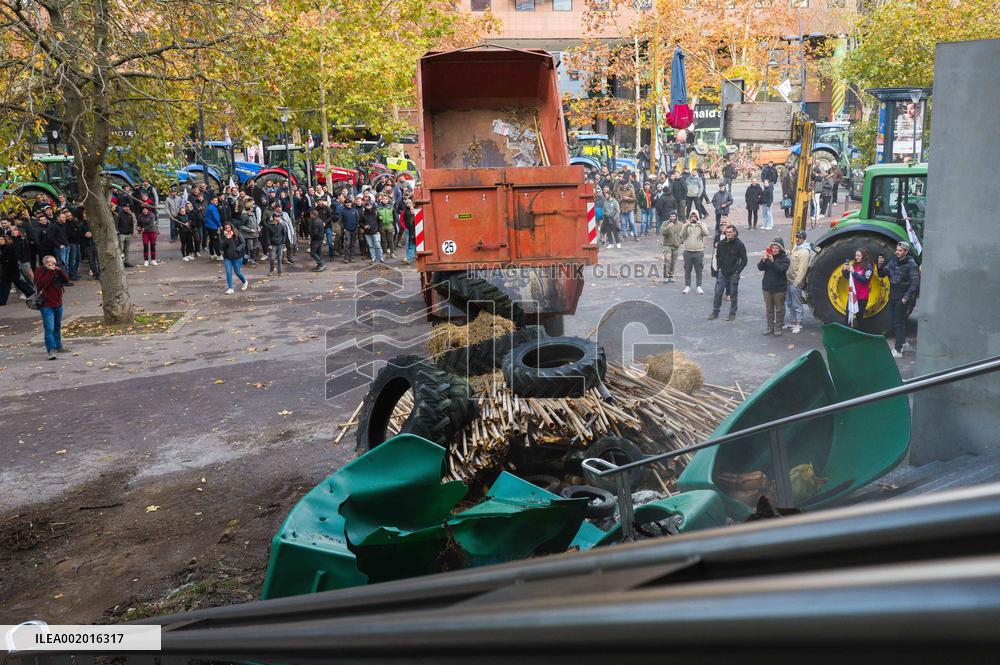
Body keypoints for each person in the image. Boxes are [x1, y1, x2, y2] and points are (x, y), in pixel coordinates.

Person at [877, 242, 920, 358]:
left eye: (900, 250)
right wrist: (879, 266)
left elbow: (915, 283)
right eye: (897, 250)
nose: (897, 252)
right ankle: (903, 342)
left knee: (898, 322)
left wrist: (906, 298)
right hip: (893, 294)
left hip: (902, 296)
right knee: (895, 321)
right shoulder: (894, 261)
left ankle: (898, 349)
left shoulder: (911, 264)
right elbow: (882, 274)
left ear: (906, 251)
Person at [708, 224, 747, 321]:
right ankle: (715, 312)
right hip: (723, 272)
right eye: (727, 232)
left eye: (730, 232)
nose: (728, 234)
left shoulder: (739, 244)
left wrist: (738, 271)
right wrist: (719, 267)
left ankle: (732, 313)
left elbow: (744, 260)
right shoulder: (721, 243)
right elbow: (718, 256)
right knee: (718, 292)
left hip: (734, 273)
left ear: (734, 232)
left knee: (733, 293)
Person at [33, 254, 69, 359]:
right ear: (45, 263)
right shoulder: (40, 271)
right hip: (46, 304)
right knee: (49, 328)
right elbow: (41, 283)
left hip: (58, 303)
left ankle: (58, 346)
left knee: (57, 327)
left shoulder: (56, 271)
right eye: (50, 263)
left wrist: (59, 270)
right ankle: (51, 350)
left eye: (54, 262)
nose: (53, 264)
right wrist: (49, 271)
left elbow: (66, 280)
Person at [758, 237, 791, 336]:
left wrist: (772, 261)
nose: (774, 250)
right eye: (773, 248)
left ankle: (778, 327)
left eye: (776, 248)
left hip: (779, 289)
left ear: (781, 248)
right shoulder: (768, 257)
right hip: (767, 287)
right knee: (769, 309)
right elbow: (760, 267)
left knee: (779, 309)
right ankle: (770, 327)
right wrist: (764, 260)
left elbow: (781, 270)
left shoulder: (785, 259)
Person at [841, 247, 874, 331]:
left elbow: (864, 280)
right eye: (856, 255)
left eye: (858, 256)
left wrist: (853, 272)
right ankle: (846, 333)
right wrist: (844, 270)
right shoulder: (855, 265)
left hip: (862, 297)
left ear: (864, 256)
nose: (856, 257)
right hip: (853, 296)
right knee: (848, 315)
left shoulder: (869, 267)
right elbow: (847, 276)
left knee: (859, 317)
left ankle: (861, 333)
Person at [785, 230, 811, 334]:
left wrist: (797, 282)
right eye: (797, 237)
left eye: (799, 237)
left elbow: (802, 269)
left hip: (795, 281)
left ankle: (798, 324)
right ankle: (793, 321)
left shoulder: (804, 252)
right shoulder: (796, 248)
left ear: (804, 239)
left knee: (796, 304)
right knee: (790, 303)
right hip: (789, 280)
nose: (797, 239)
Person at [0, 231, 35, 305]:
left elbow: (10, 258)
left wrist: (4, 261)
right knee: (18, 284)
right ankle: (32, 294)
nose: (0, 241)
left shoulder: (10, 247)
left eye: (2, 239)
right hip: (7, 270)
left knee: (9, 285)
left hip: (11, 269)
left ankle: (2, 301)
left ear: (6, 240)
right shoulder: (2, 248)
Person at [680, 211, 710, 294]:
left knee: (699, 270)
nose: (693, 217)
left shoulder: (701, 224)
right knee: (687, 269)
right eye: (692, 216)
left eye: (695, 216)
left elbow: (707, 233)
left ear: (697, 216)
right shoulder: (686, 225)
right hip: (687, 251)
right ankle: (687, 286)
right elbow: (681, 235)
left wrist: (700, 225)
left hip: (698, 251)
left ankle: (699, 286)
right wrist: (685, 225)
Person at [219, 222, 249, 294]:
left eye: (228, 227)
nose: (227, 229)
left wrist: (237, 249)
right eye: (226, 228)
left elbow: (243, 243)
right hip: (227, 257)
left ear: (231, 227)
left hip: (237, 257)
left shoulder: (237, 233)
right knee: (228, 272)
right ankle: (230, 288)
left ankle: (245, 281)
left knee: (237, 272)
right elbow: (221, 247)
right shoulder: (223, 236)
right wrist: (227, 239)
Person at [660, 211, 682, 284]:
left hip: (676, 245)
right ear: (669, 217)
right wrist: (668, 227)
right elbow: (662, 232)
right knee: (668, 260)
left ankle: (671, 275)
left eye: (674, 216)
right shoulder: (665, 223)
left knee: (673, 261)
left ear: (676, 217)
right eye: (671, 216)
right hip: (667, 245)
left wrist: (681, 241)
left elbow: (683, 233)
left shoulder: (680, 224)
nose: (672, 218)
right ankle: (666, 276)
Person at [263, 211, 288, 275]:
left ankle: (279, 271)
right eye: (278, 217)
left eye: (279, 217)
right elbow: (267, 236)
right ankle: (271, 271)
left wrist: (283, 242)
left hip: (280, 244)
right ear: (274, 217)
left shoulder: (282, 225)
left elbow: (284, 234)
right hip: (272, 245)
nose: (279, 218)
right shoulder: (269, 226)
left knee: (280, 258)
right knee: (272, 258)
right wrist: (269, 244)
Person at [360, 198, 384, 264]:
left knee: (378, 245)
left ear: (372, 206)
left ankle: (381, 258)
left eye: (370, 205)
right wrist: (364, 226)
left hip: (376, 231)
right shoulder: (363, 214)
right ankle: (373, 258)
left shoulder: (376, 212)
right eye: (367, 205)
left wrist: (379, 230)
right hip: (367, 232)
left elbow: (380, 222)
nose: (368, 206)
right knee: (371, 245)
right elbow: (360, 222)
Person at [339, 196, 360, 263]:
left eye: (349, 203)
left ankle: (352, 257)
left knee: (353, 244)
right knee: (347, 244)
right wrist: (344, 228)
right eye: (347, 203)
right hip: (347, 230)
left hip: (354, 229)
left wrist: (356, 226)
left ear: (351, 203)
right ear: (345, 204)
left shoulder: (354, 210)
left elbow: (358, 219)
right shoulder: (342, 211)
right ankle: (346, 258)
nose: (348, 204)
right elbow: (340, 221)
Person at [204, 196, 223, 260]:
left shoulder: (210, 207)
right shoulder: (212, 208)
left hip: (209, 226)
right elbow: (216, 218)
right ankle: (219, 255)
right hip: (213, 226)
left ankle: (212, 254)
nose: (216, 201)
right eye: (215, 200)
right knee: (216, 241)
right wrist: (219, 225)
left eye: (217, 200)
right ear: (211, 201)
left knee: (212, 240)